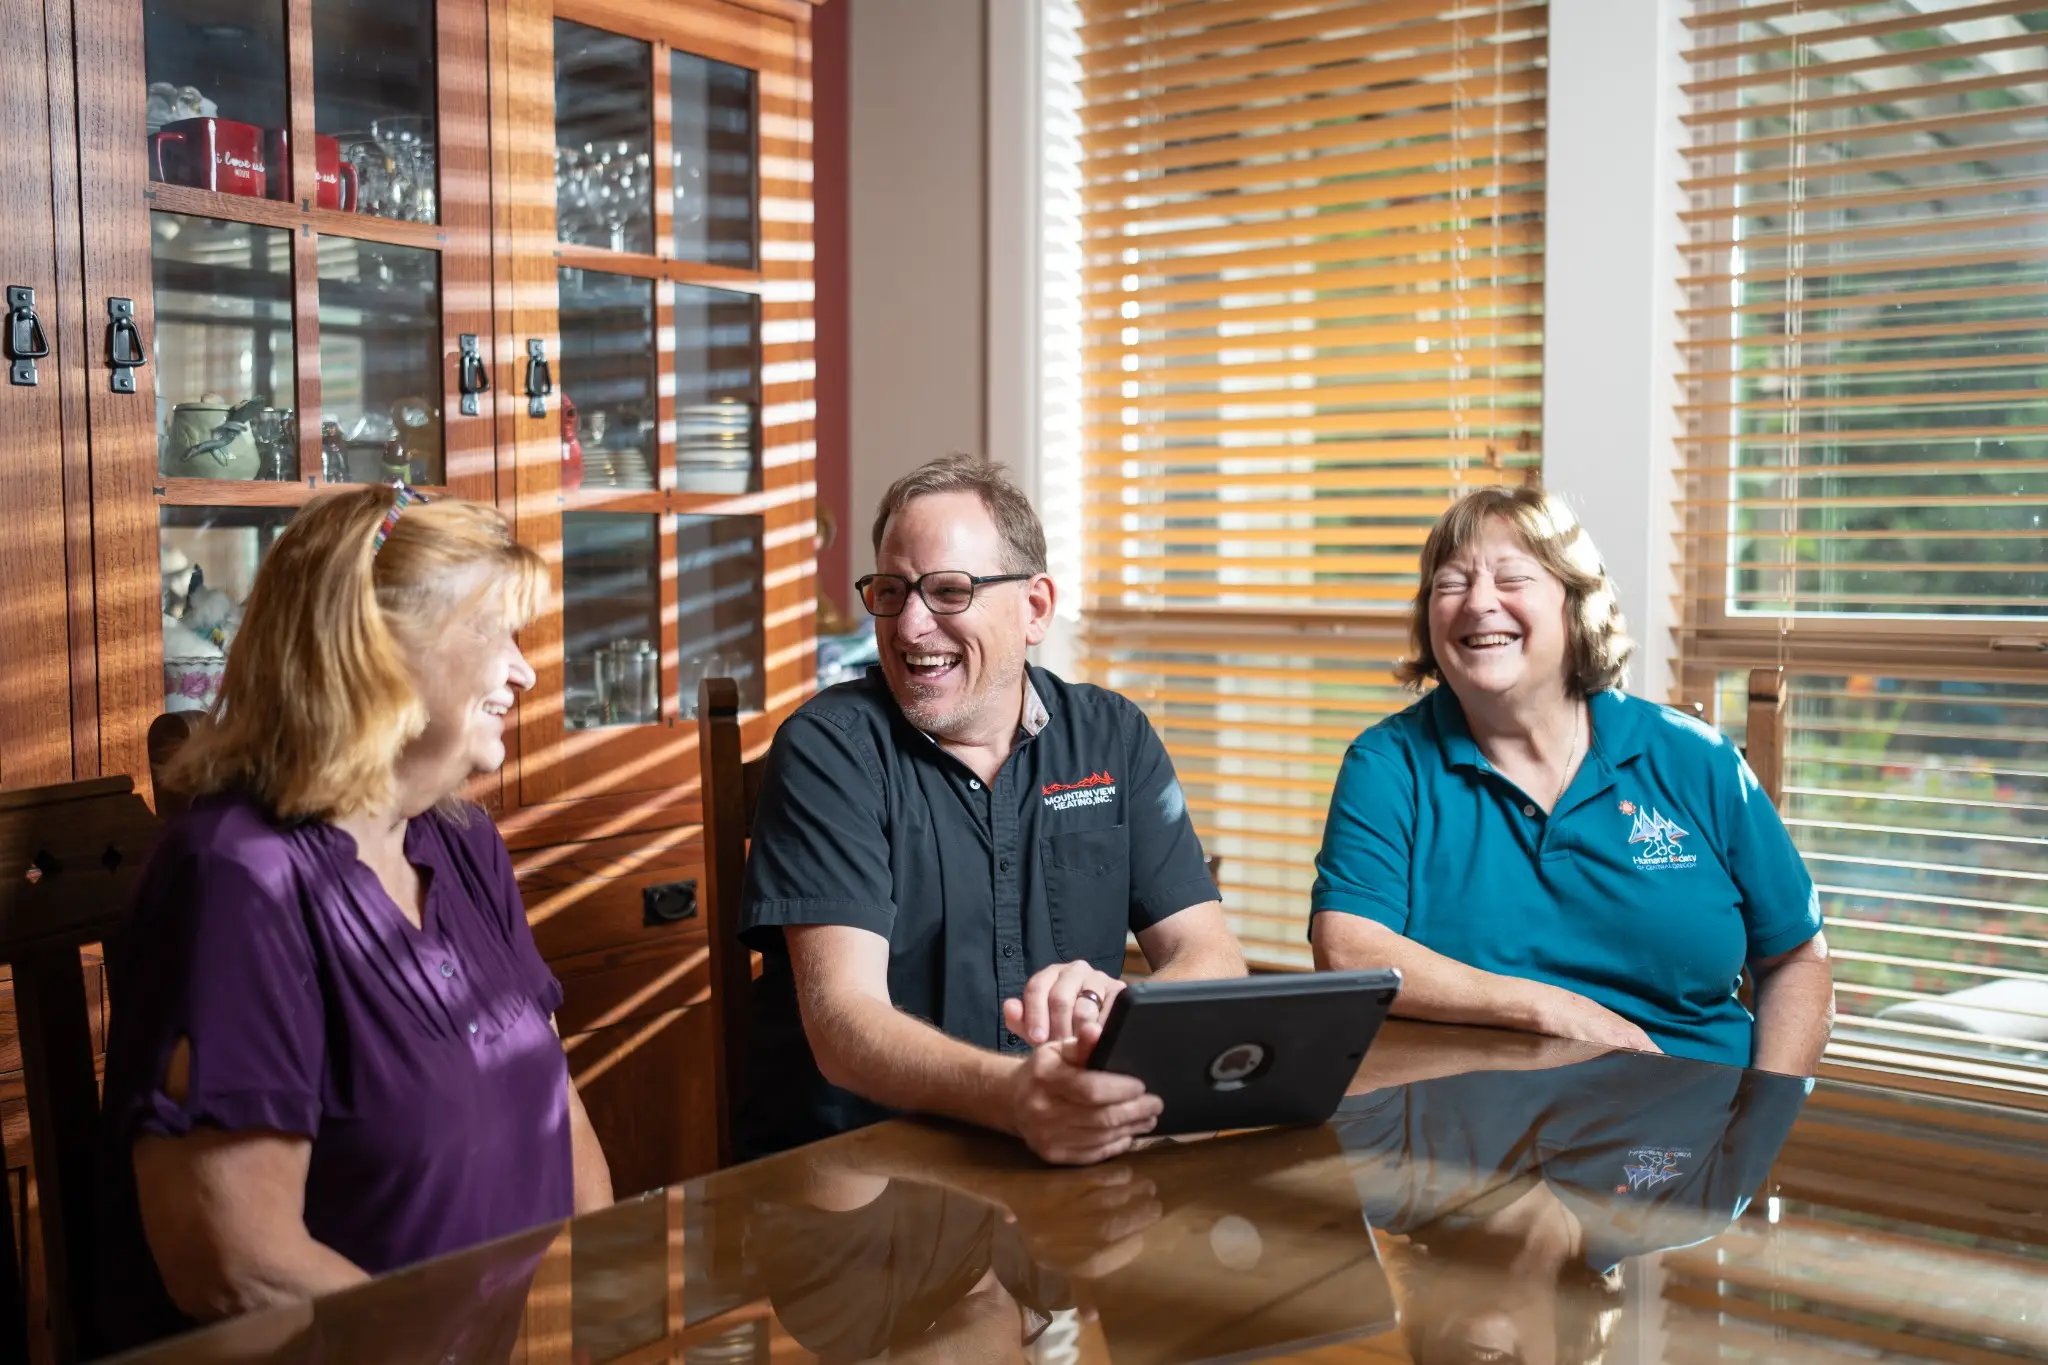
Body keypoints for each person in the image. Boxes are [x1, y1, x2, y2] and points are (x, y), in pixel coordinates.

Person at [95, 485, 613, 1354]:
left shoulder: (461, 842)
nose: (524, 671)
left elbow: (561, 1116)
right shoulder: (238, 876)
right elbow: (233, 1259)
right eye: (496, 633)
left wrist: (594, 1313)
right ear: (376, 650)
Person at [738, 455, 1246, 1165]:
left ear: (1034, 608)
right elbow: (843, 1025)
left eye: (949, 592)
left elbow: (1212, 956)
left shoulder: (1114, 736)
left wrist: (1122, 1015)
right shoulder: (830, 750)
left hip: (1067, 1152)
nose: (911, 626)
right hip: (865, 1182)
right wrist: (1016, 1097)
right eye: (891, 591)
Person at [1311, 486, 1834, 1073]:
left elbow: (1796, 957)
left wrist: (1758, 1123)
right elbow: (1350, 950)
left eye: (1512, 579)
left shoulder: (1695, 758)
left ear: (1576, 603)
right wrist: (1552, 1011)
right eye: (1451, 583)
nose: (1478, 603)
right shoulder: (1387, 764)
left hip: (1690, 1131)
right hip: (1465, 1143)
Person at [1337, 1039, 1810, 1365]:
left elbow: (1343, 1043)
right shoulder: (1691, 1211)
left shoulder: (1381, 1188)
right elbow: (1789, 1042)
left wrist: (1540, 1035)